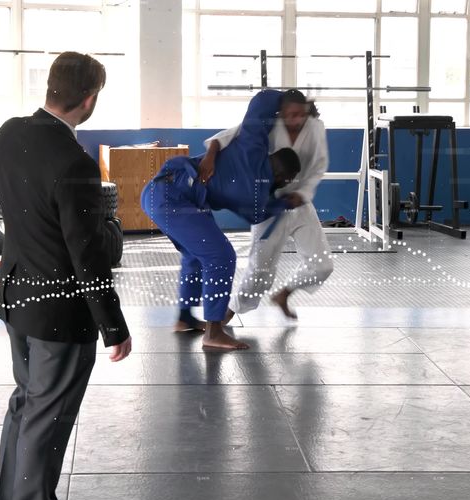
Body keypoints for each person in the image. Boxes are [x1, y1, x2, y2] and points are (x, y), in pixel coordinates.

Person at [0, 51, 132, 500]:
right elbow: (88, 255)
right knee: (48, 415)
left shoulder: (8, 135)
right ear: (89, 99)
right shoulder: (75, 163)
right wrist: (114, 327)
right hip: (59, 311)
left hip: (16, 297)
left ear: (49, 87)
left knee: (26, 404)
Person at [141, 89, 301, 350]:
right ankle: (214, 331)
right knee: (221, 256)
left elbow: (260, 102)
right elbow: (257, 214)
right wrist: (285, 202)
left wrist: (288, 100)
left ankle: (184, 318)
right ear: (286, 179)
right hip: (172, 199)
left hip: (163, 192)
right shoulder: (259, 197)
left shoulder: (253, 147)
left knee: (196, 255)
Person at [199, 89, 333, 322]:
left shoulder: (315, 129)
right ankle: (225, 315)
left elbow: (319, 165)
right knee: (260, 271)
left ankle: (284, 294)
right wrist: (210, 154)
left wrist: (303, 194)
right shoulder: (269, 126)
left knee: (322, 265)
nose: (296, 121)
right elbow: (232, 134)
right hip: (268, 204)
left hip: (299, 203)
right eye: (290, 115)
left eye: (300, 115)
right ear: (281, 113)